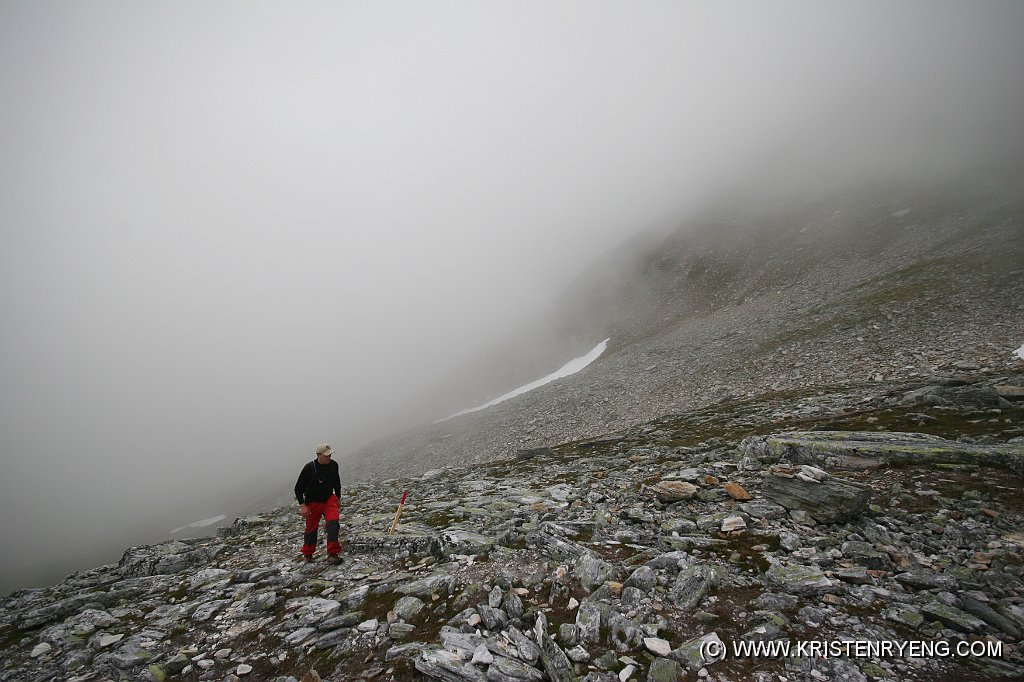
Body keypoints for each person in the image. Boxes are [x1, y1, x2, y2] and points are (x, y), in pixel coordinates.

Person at [294, 442, 343, 564]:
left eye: (330, 455)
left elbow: (337, 482)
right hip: (312, 502)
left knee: (333, 523)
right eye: (326, 455)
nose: (329, 457)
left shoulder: (333, 465)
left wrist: (338, 497)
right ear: (318, 455)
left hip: (329, 498)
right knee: (311, 528)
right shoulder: (309, 468)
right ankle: (308, 554)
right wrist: (302, 505)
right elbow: (298, 488)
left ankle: (332, 554)